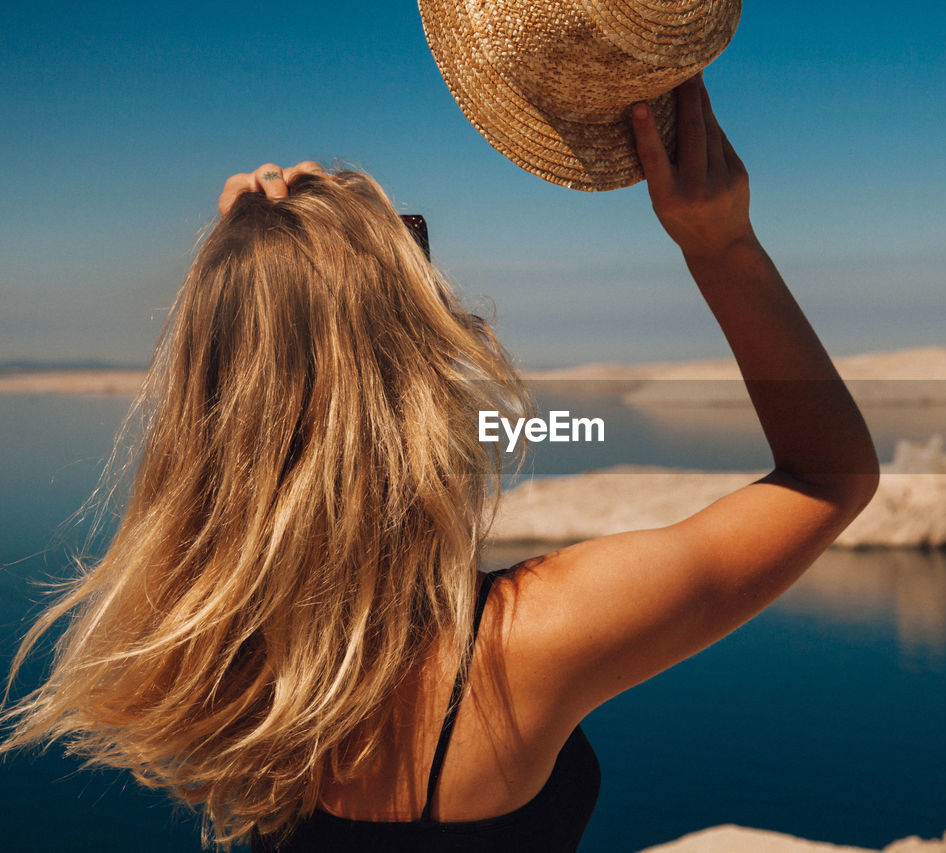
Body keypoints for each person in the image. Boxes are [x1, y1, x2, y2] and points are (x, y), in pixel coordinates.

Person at [1, 75, 878, 851]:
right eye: (412, 252)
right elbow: (828, 475)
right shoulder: (522, 647)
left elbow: (260, 417)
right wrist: (720, 243)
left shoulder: (223, 649)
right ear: (409, 357)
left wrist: (249, 262)